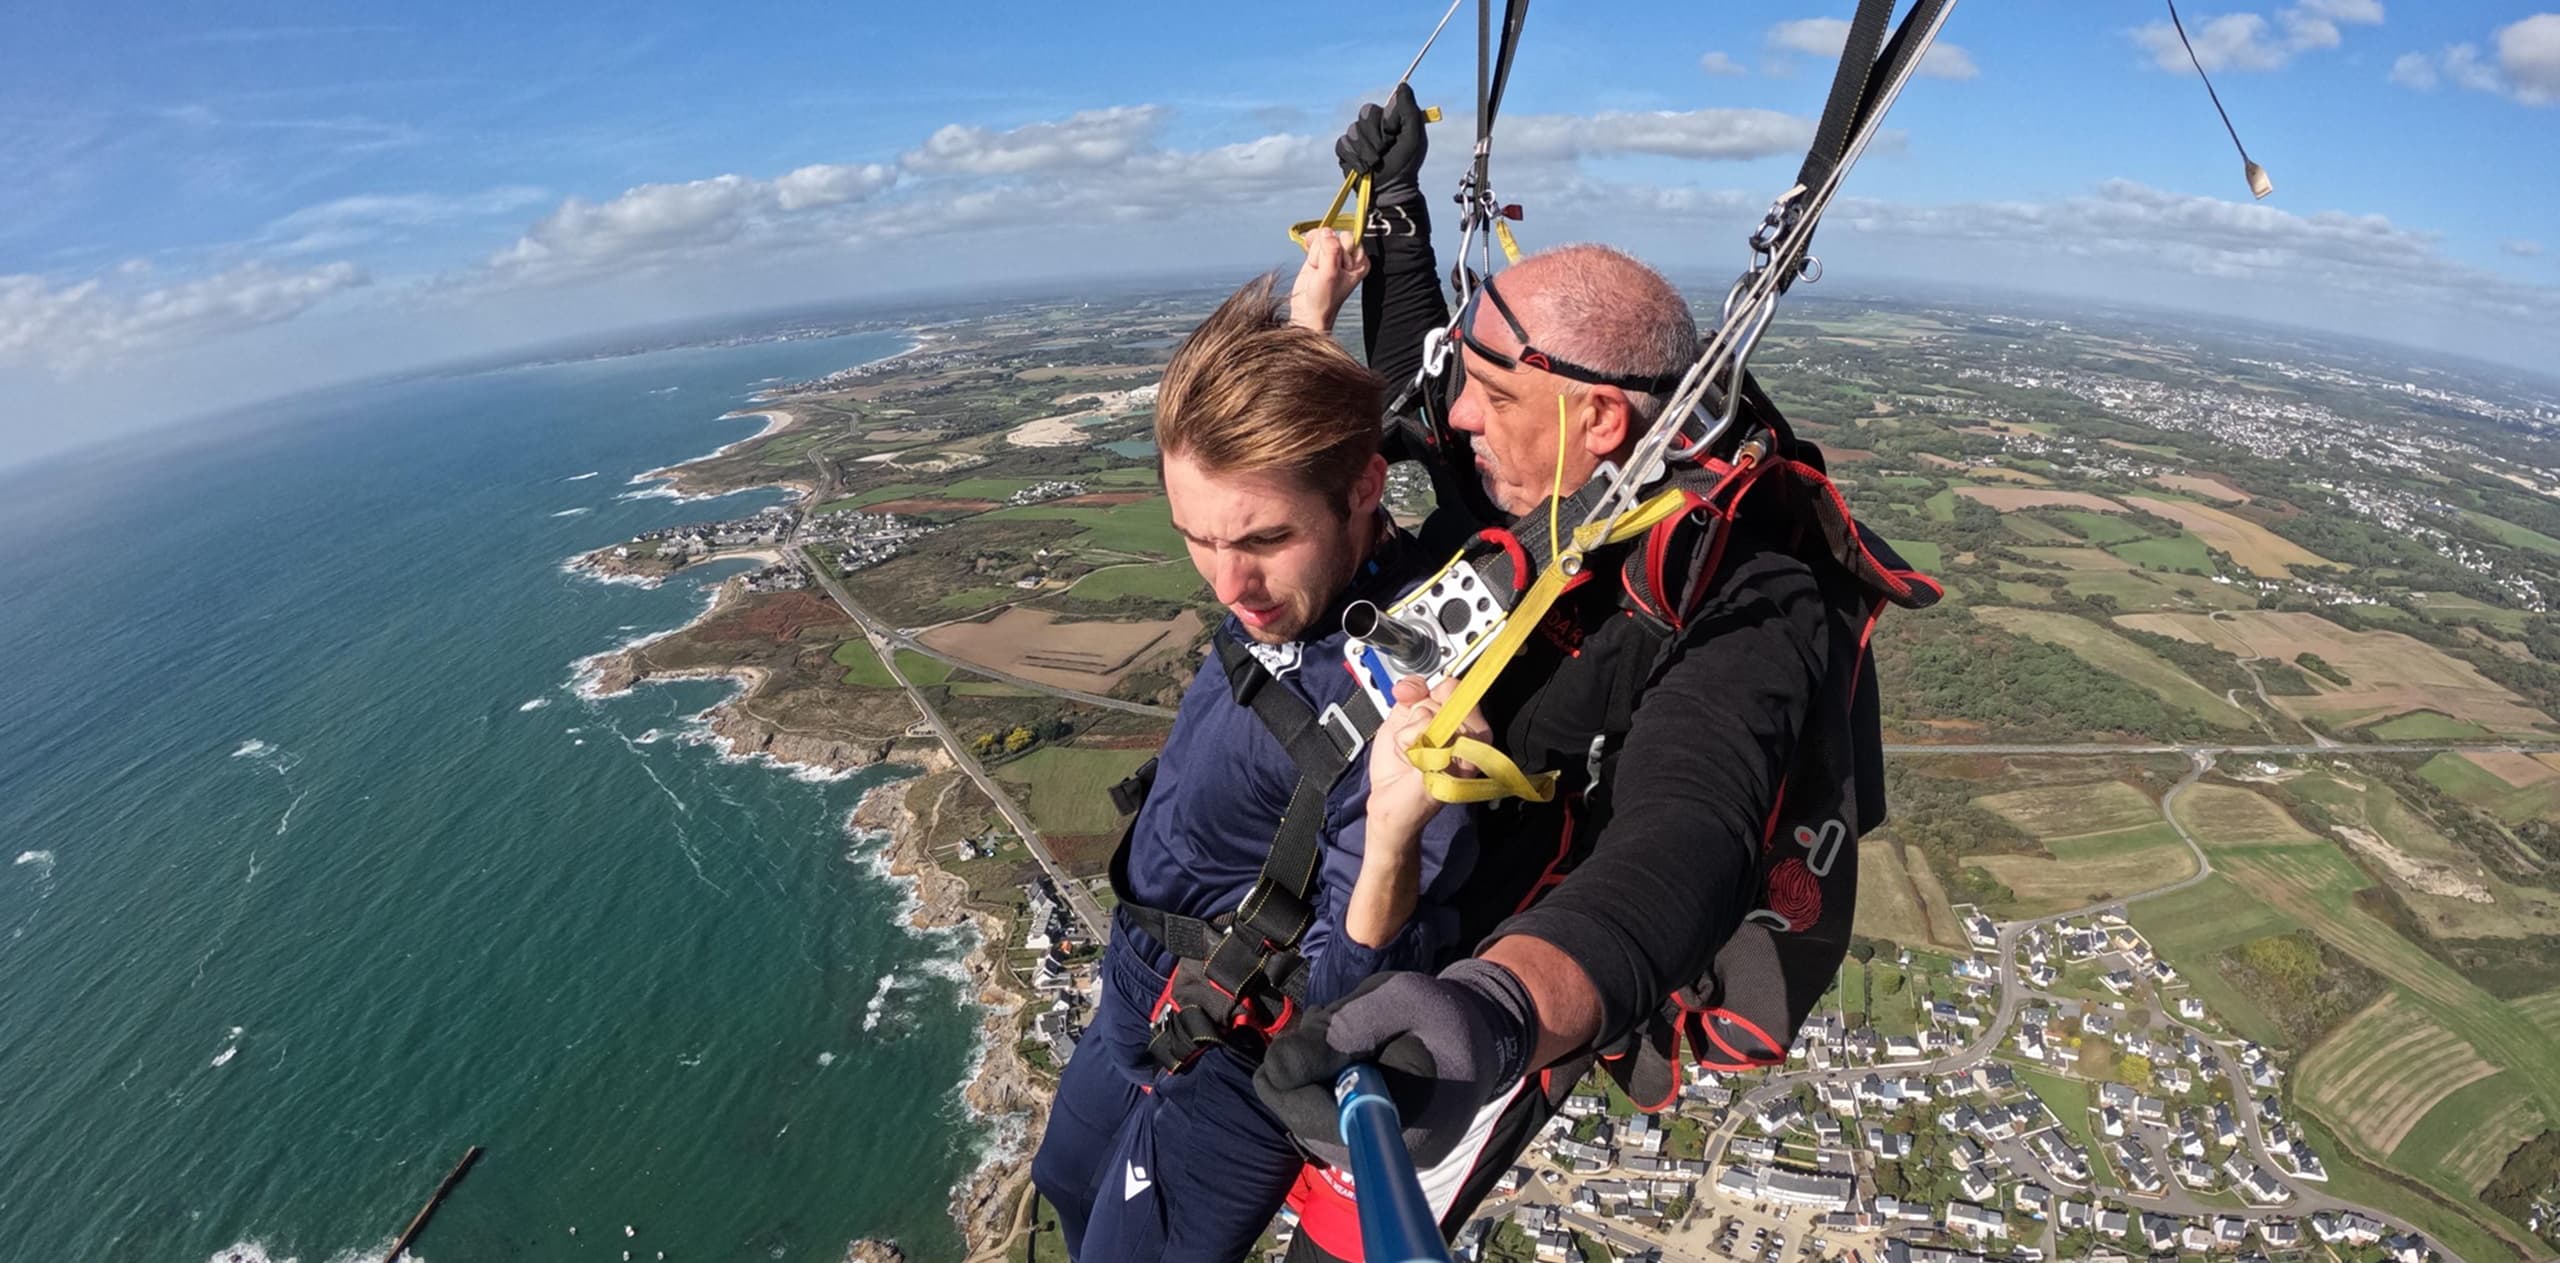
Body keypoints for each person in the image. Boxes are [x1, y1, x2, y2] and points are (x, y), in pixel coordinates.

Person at [1252, 86, 1935, 1258]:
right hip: (1386, 886)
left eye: (1492, 395)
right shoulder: (1555, 468)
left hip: (1495, 966)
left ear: (1602, 422)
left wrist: (1494, 1014)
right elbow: (1430, 378)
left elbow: (1688, 835)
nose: (1452, 417)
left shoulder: (1747, 595)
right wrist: (1402, 206)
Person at [1027, 273, 1493, 1261]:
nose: (1229, 582)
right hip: (1141, 970)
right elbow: (1282, 469)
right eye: (1196, 537)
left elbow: (1357, 997)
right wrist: (1308, 322)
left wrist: (1394, 839)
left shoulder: (1404, 693)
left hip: (1235, 1041)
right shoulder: (1296, 545)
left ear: (1365, 489)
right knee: (1063, 1179)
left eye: (1262, 541)